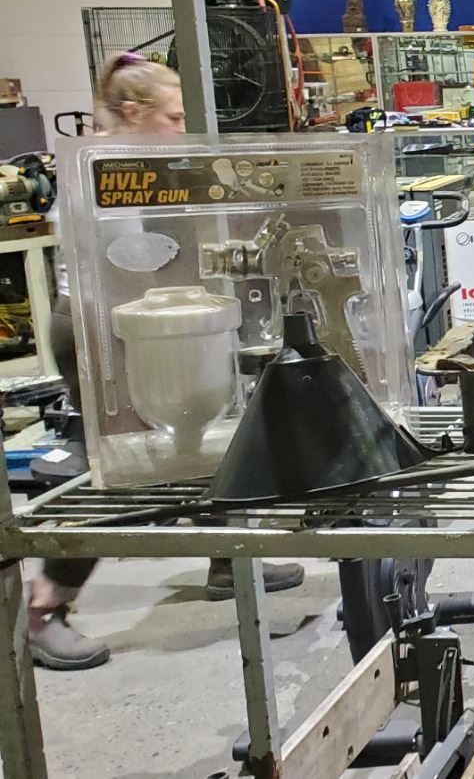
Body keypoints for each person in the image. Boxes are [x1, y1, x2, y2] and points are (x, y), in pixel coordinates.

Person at [28, 53, 306, 671]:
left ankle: (228, 560)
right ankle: (45, 604)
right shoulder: (98, 168)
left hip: (160, 318)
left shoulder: (150, 165)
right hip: (103, 327)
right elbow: (126, 265)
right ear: (133, 112)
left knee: (206, 435)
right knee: (123, 463)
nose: (184, 129)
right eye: (175, 117)